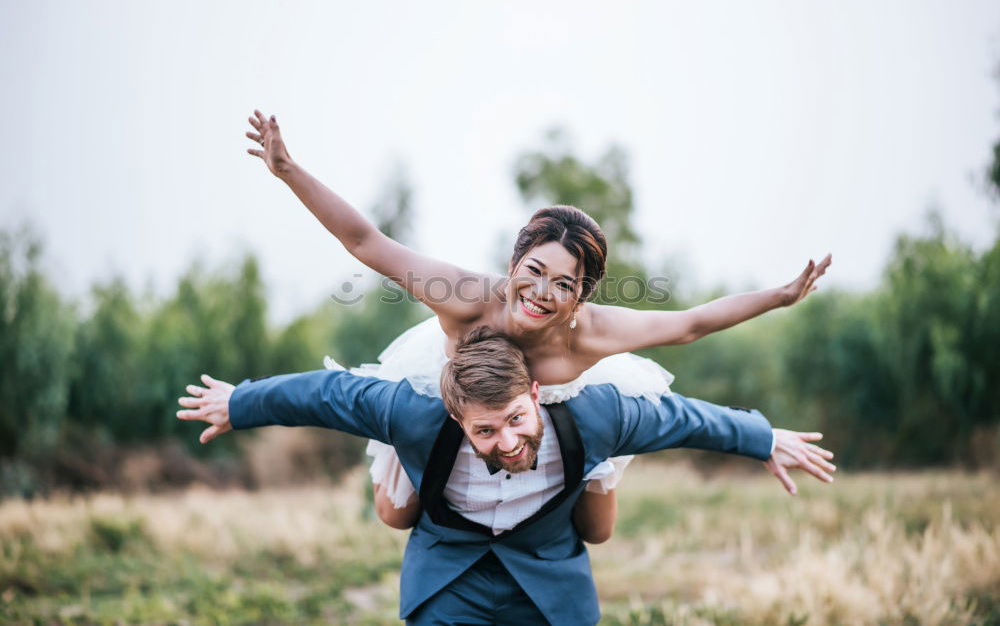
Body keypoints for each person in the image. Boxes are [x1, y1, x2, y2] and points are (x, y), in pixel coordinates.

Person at [244, 109, 832, 539]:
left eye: (565, 285)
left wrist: (779, 296)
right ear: (513, 262)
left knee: (597, 531)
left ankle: (579, 480)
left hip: (557, 410)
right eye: (535, 271)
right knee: (396, 515)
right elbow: (366, 242)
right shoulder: (469, 300)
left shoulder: (593, 333)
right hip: (460, 391)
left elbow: (691, 324)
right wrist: (288, 169)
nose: (543, 294)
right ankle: (416, 462)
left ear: (582, 296)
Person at [177, 327, 835, 624]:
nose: (509, 440)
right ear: (459, 419)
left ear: (534, 393)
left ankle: (597, 482)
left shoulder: (592, 415)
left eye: (518, 419)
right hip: (448, 578)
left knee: (598, 523)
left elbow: (682, 418)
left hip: (549, 580)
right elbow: (327, 395)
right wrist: (240, 402)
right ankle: (396, 482)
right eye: (486, 431)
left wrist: (762, 437)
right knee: (396, 507)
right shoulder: (414, 415)